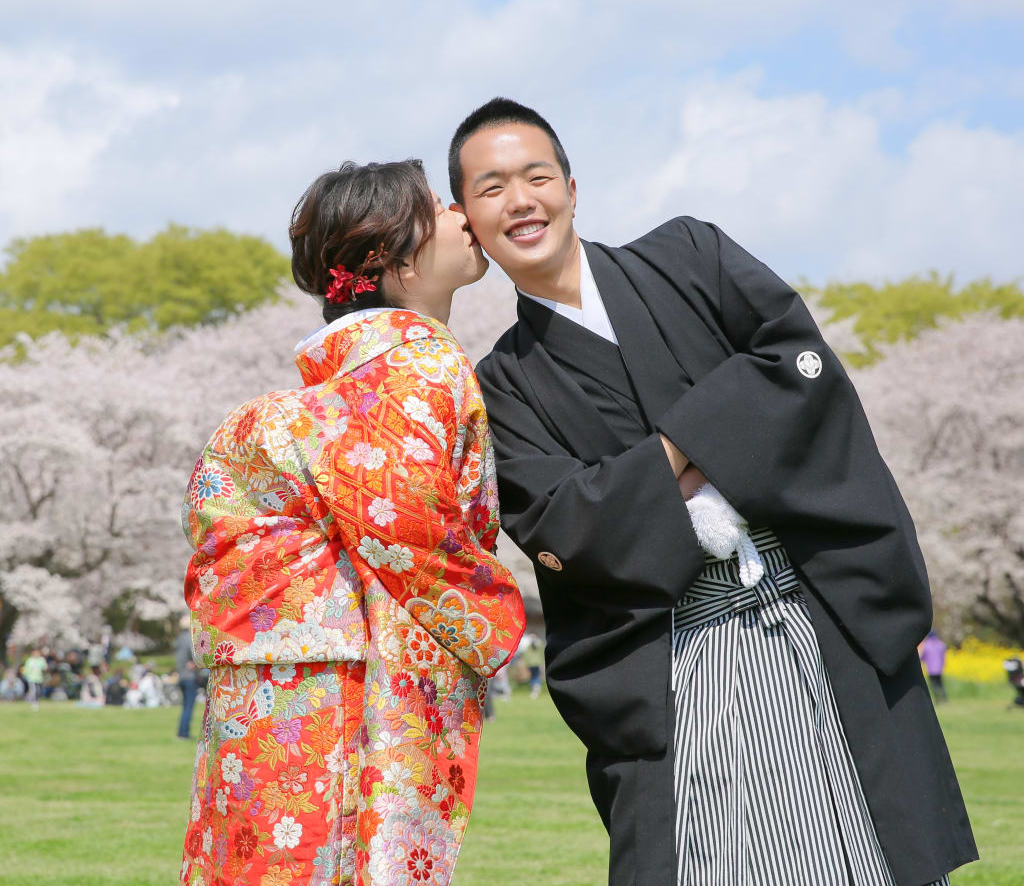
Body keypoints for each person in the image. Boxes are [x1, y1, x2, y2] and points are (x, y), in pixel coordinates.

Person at [450, 97, 976, 886]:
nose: (521, 201)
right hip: (677, 664)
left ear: (571, 186)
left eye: (537, 176)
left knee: (874, 856)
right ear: (467, 218)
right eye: (491, 189)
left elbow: (798, 369)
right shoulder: (501, 384)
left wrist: (649, 468)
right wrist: (699, 442)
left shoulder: (688, 257)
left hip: (810, 612)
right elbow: (568, 524)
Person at [180, 159, 526, 886]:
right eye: (442, 207)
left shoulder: (285, 413)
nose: (466, 213)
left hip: (265, 681)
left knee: (262, 855)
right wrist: (493, 616)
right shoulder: (419, 365)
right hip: (347, 683)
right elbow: (409, 527)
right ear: (389, 257)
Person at [175, 615, 199, 738]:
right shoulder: (189, 638)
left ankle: (181, 731)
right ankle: (184, 733)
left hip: (181, 676)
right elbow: (196, 654)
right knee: (189, 706)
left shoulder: (179, 639)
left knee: (185, 706)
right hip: (189, 677)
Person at [919, 630, 949, 702]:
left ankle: (938, 700)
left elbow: (922, 657)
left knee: (934, 685)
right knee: (941, 684)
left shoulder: (926, 645)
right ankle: (945, 699)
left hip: (931, 669)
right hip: (940, 669)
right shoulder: (941, 644)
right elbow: (944, 657)